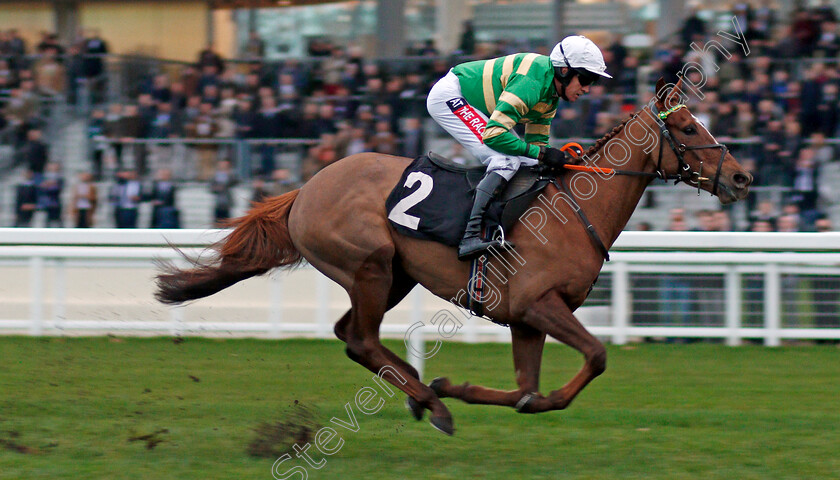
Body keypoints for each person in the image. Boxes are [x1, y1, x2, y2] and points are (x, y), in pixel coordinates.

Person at [426, 35, 612, 259]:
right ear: (564, 71)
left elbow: (536, 148)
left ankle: (502, 224)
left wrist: (551, 158)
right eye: (586, 79)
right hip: (451, 96)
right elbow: (494, 135)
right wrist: (543, 153)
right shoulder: (531, 82)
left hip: (480, 105)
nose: (588, 89)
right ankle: (470, 235)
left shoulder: (550, 92)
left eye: (593, 82)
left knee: (530, 162)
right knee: (505, 161)